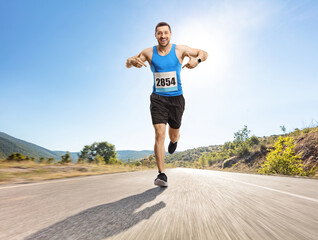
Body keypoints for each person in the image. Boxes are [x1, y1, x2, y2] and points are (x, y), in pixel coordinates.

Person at [126, 22, 208, 187]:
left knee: (173, 134)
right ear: (155, 35)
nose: (162, 36)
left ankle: (175, 140)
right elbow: (133, 61)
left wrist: (197, 60)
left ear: (170, 34)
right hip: (158, 99)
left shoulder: (180, 49)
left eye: (165, 33)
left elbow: (203, 53)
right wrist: (130, 61)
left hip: (176, 100)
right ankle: (162, 175)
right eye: (159, 33)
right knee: (159, 133)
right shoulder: (148, 52)